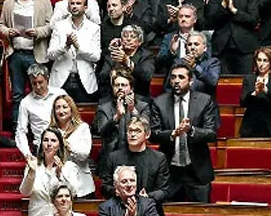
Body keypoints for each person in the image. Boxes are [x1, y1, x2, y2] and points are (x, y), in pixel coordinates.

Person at [151, 64, 220, 203]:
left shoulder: (204, 101)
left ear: (191, 81)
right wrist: (172, 134)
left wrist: (192, 130)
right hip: (170, 172)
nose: (176, 81)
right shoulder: (160, 102)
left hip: (196, 172)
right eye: (173, 77)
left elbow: (211, 133)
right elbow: (153, 134)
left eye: (181, 77)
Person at [0, 0, 53, 123]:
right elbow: (1, 25)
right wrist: (9, 31)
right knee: (17, 94)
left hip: (36, 53)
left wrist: (37, 32)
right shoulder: (9, 3)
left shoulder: (44, 1)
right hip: (16, 54)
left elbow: (51, 26)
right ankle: (18, 128)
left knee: (40, 91)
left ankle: (41, 126)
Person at [94, 71, 157, 174]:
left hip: (136, 155)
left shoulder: (142, 106)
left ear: (131, 88)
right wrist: (116, 117)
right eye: (116, 85)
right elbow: (102, 132)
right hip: (111, 156)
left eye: (123, 85)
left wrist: (133, 111)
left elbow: (146, 130)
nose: (119, 88)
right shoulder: (104, 107)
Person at [100, 117, 170, 208]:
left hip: (149, 210)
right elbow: (105, 187)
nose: (133, 134)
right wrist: (119, 192)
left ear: (147, 134)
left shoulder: (158, 158)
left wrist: (146, 197)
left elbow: (164, 191)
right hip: (120, 209)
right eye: (130, 131)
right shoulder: (114, 157)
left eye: (138, 131)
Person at [206, 0, 259, 76]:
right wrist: (224, 5)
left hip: (244, 47)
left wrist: (234, 11)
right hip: (221, 47)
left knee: (244, 85)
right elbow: (210, 20)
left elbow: (253, 20)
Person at [48, 0, 101, 103]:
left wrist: (78, 48)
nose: (74, 6)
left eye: (78, 3)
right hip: (61, 80)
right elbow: (50, 54)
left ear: (85, 8)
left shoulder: (94, 28)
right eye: (72, 3)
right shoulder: (59, 26)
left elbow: (96, 56)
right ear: (68, 7)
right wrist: (65, 46)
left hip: (84, 81)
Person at [21, 129, 71, 216]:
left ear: (59, 145)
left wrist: (60, 174)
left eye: (53, 140)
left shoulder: (68, 167)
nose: (49, 144)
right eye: (45, 140)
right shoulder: (33, 165)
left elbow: (73, 192)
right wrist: (31, 173)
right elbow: (24, 192)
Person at [16, 65, 65, 160]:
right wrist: (27, 154)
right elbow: (21, 131)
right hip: (40, 148)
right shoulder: (25, 102)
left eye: (40, 82)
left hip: (62, 145)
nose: (37, 87)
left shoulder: (60, 94)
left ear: (47, 79)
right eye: (34, 83)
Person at [51, 94, 95, 198]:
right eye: (57, 108)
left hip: (83, 186)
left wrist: (68, 146)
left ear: (71, 109)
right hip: (60, 185)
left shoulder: (82, 128)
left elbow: (84, 154)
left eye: (64, 107)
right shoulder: (51, 131)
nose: (61, 111)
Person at [240, 47, 271, 138]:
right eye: (259, 60)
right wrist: (255, 93)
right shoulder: (249, 79)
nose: (261, 64)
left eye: (265, 61)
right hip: (250, 127)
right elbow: (243, 102)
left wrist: (266, 90)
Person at [101, 23, 153, 98]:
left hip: (138, 97)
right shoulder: (114, 54)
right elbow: (102, 77)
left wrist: (127, 62)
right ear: (121, 40)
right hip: (113, 97)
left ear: (139, 42)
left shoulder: (146, 56)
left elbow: (147, 76)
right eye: (125, 36)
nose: (128, 39)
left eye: (132, 37)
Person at [165, 32, 220, 98]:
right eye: (190, 44)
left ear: (205, 48)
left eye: (196, 44)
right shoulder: (178, 62)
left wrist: (194, 66)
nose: (192, 47)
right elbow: (167, 87)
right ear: (186, 48)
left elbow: (212, 82)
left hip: (202, 102)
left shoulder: (213, 62)